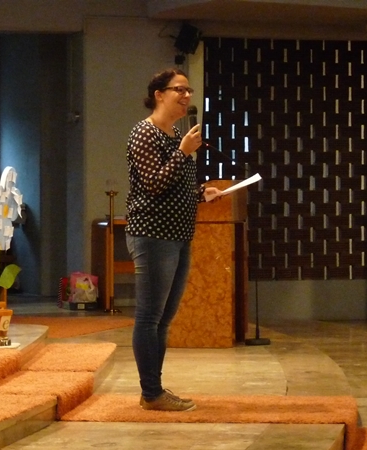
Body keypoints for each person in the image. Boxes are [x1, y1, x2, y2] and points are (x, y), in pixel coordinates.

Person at [125, 68, 221, 412]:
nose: (186, 96)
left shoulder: (176, 135)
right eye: (179, 90)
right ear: (159, 94)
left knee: (163, 319)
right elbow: (153, 184)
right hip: (152, 234)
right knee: (149, 317)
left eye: (189, 90)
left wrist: (200, 193)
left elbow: (175, 186)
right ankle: (151, 393)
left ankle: (154, 390)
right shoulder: (145, 132)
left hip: (179, 234)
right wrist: (182, 152)